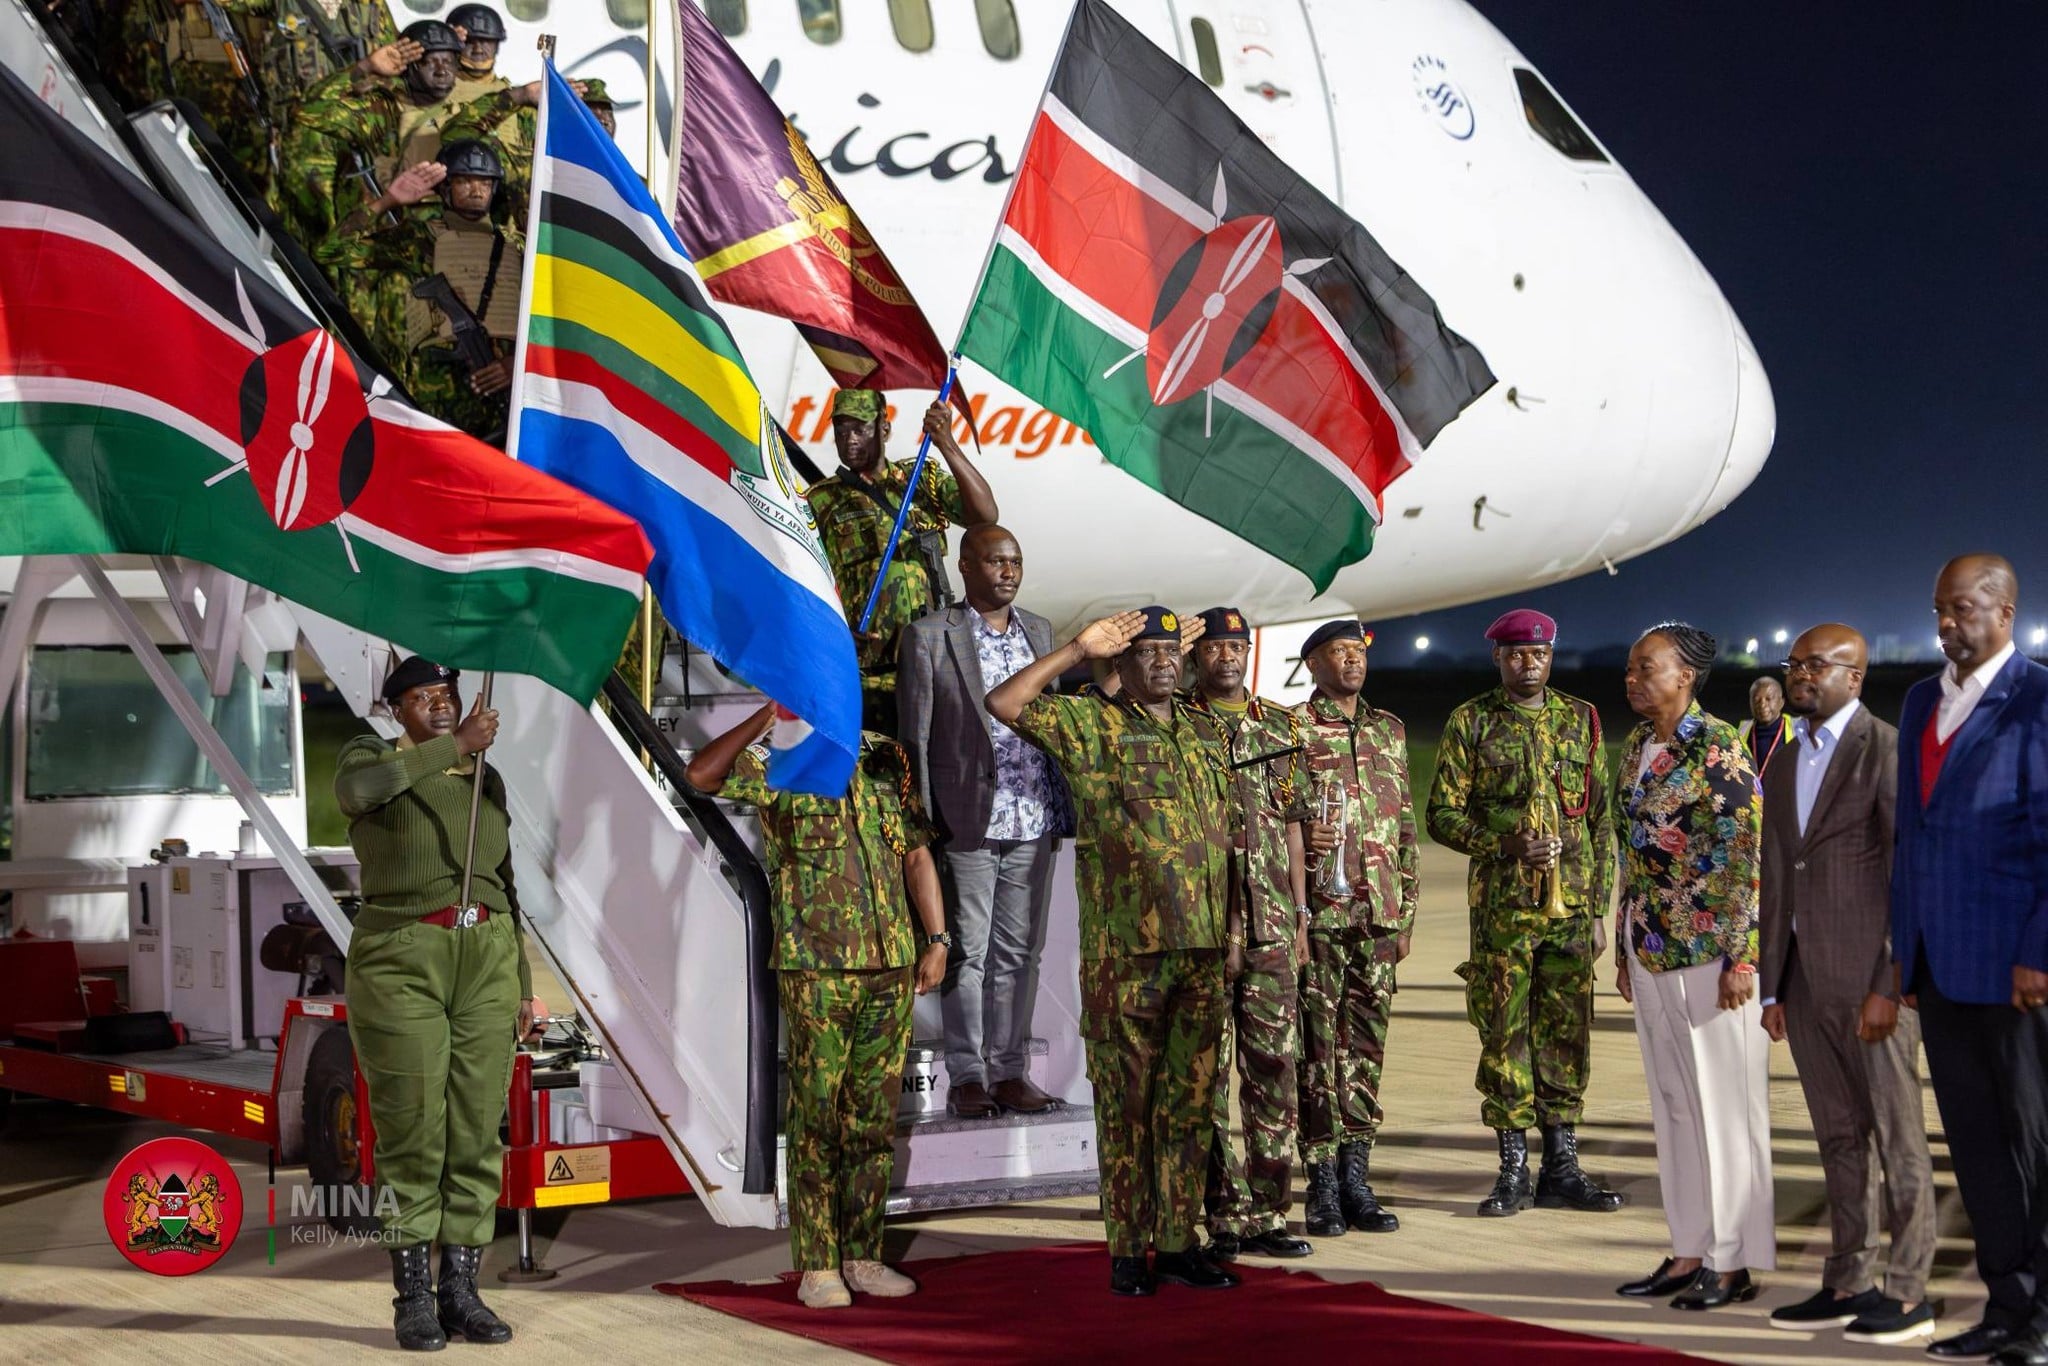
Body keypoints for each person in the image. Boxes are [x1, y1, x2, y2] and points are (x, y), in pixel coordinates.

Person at [986, 607, 1241, 1297]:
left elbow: (1227, 845)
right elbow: (1005, 702)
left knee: (1189, 1107)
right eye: (1146, 653)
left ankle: (1181, 1242)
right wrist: (1076, 648)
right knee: (1127, 1109)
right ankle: (1129, 1251)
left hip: (1202, 952)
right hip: (1127, 956)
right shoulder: (1091, 725)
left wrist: (1236, 933)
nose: (1162, 662)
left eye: (1169, 652)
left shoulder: (1206, 733)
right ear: (1121, 665)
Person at [685, 703, 950, 1311]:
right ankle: (818, 1264)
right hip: (820, 968)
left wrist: (936, 940)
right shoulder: (781, 757)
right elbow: (701, 776)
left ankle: (862, 1254)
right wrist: (766, 715)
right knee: (818, 1121)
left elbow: (915, 855)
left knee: (872, 1121)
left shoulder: (885, 758)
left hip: (892, 964)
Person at [335, 656, 537, 1350]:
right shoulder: (372, 755)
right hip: (402, 957)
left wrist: (524, 982)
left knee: (477, 1131)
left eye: (447, 695)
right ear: (396, 709)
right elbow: (364, 789)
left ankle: (461, 1290)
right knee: (413, 1130)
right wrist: (453, 748)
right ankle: (412, 1296)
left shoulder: (486, 777)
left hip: (487, 955)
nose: (441, 705)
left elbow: (503, 881)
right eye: (423, 698)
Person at [1759, 624, 1935, 1345]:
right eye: (1795, 664)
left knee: (1898, 1141)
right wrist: (1773, 986)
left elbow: (1909, 875)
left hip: (1871, 986)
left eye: (1818, 665)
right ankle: (1847, 1279)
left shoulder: (1887, 751)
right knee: (1837, 1139)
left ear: (1855, 677)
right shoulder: (1784, 756)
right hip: (1804, 986)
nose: (1802, 675)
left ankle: (1910, 1291)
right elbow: (1777, 874)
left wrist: (1890, 979)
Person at [1893, 555, 2048, 1366]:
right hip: (1941, 966)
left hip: (2019, 971)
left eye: (1961, 609)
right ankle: (2006, 1307)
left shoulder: (2040, 698)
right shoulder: (1923, 698)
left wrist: (2039, 950)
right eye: (1939, 609)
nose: (1947, 623)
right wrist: (1902, 953)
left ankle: (2044, 1315)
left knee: (2035, 1145)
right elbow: (1910, 841)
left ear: (2004, 610)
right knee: (1979, 1148)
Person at [1426, 609, 1624, 1219]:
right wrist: (1504, 842)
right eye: (1514, 654)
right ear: (1498, 658)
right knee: (1504, 1036)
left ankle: (1562, 1166)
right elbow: (1441, 815)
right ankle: (1513, 1168)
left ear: (1551, 657)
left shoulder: (1581, 720)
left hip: (1570, 912)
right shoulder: (1472, 721)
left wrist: (1596, 910)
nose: (1526, 663)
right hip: (1504, 913)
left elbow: (1599, 820)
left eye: (1536, 655)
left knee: (1567, 1034)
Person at [1611, 622, 1771, 1311]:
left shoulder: (1719, 747)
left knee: (1724, 1107)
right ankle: (1688, 1248)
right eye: (1629, 668)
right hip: (1650, 948)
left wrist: (1743, 953)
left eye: (1647, 667)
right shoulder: (1637, 748)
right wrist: (1623, 947)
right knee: (1675, 1105)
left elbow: (1745, 853)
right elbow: (1631, 857)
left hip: (1711, 953)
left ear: (1685, 676)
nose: (1632, 678)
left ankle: (1733, 1260)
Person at [895, 524, 1073, 1120]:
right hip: (966, 817)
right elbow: (916, 736)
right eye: (995, 561)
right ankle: (968, 1075)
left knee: (1020, 953)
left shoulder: (1041, 631)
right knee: (968, 953)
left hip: (1032, 814)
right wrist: (920, 819)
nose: (1008, 571)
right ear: (965, 566)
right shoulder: (928, 636)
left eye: (1015, 561)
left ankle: (1009, 1071)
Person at [1186, 606, 1316, 1260]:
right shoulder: (1177, 723)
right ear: (1197, 655)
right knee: (1205, 1081)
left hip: (1270, 931)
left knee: (1273, 1072)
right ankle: (1225, 1216)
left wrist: (1299, 918)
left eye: (1236, 646)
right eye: (1214, 647)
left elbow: (1293, 823)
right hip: (1204, 931)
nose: (1227, 657)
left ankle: (1270, 1214)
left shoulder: (1280, 725)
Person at [1292, 619, 1417, 1238]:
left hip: (1378, 917)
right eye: (1337, 652)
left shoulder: (1388, 729)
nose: (1351, 661)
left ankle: (1356, 1176)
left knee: (1365, 1050)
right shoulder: (1292, 730)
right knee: (1317, 1051)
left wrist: (1407, 911)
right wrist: (1299, 836)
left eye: (1357, 651)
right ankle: (1320, 1183)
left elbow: (1406, 831)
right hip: (1321, 915)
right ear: (1312, 664)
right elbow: (1273, 812)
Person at [806, 391, 998, 733]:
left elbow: (984, 516)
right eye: (841, 430)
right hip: (871, 672)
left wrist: (947, 444)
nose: (849, 439)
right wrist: (830, 634)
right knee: (884, 775)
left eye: (860, 428)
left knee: (942, 769)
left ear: (884, 428)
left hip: (935, 659)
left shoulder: (919, 480)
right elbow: (805, 579)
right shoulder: (822, 500)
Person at [314, 140, 521, 441]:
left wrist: (519, 365)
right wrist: (386, 202)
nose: (476, 190)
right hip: (440, 386)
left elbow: (560, 319)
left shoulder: (520, 245)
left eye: (485, 182)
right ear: (445, 188)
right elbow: (331, 252)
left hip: (510, 387)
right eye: (464, 181)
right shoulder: (419, 239)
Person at [283, 19, 469, 252]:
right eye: (429, 62)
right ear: (409, 67)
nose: (442, 70)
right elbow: (307, 112)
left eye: (448, 61)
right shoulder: (380, 110)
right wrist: (365, 67)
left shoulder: (471, 109)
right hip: (386, 245)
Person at [442, 76, 612, 230]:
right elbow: (456, 135)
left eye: (607, 112)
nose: (602, 119)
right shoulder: (528, 169)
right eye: (589, 112)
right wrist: (521, 95)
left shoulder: (630, 187)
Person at [443, 2, 508, 105]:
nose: (478, 50)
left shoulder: (512, 97)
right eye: (468, 41)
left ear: (496, 46)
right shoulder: (427, 91)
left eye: (486, 41)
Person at [1739, 676, 1795, 774]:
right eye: (1756, 700)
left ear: (1781, 702)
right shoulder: (1740, 732)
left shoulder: (1798, 730)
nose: (1762, 705)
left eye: (1768, 699)